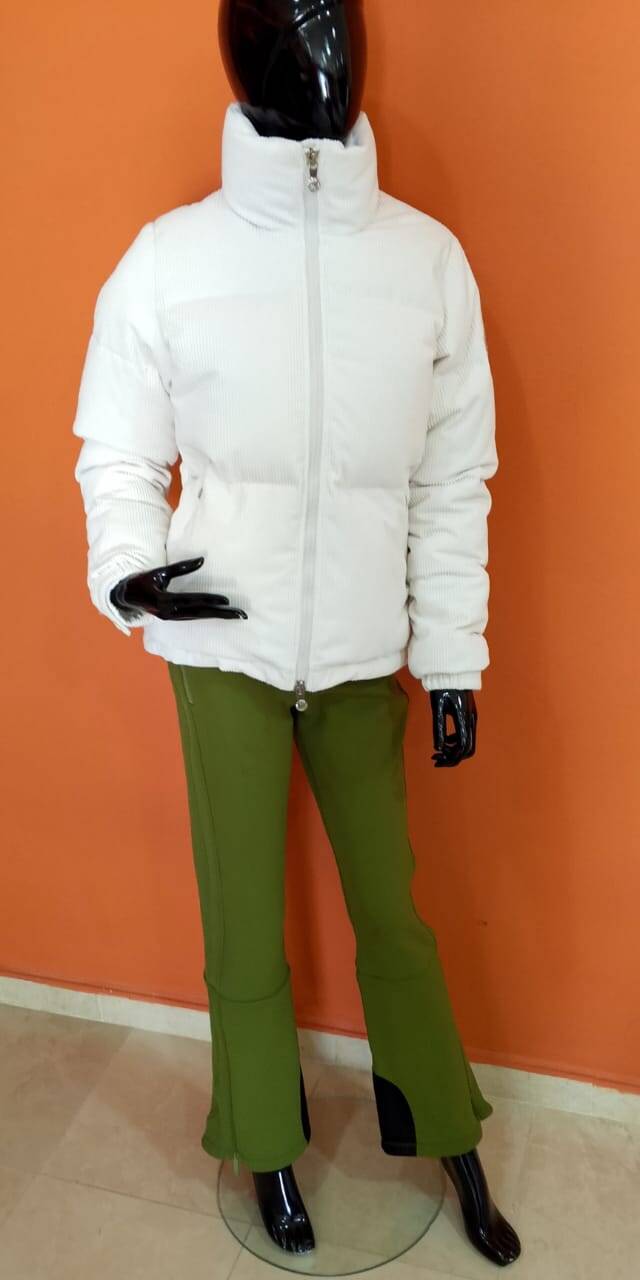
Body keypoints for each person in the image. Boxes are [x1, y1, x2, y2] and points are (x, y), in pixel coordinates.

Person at [71, 0, 520, 1266]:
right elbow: (116, 449)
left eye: (335, 27)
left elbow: (452, 479)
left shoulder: (424, 261)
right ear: (241, 55)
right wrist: (130, 570)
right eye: (284, 29)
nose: (318, 54)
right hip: (223, 652)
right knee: (242, 921)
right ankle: (265, 1141)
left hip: (365, 651)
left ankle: (446, 1131)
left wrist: (451, 656)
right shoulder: (170, 259)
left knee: (394, 910)